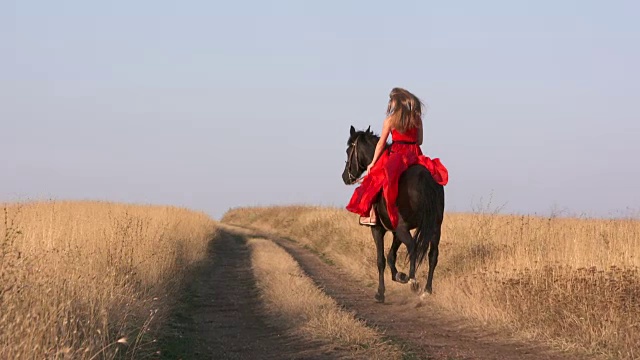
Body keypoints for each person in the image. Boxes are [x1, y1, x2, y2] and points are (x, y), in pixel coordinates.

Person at [346, 87, 448, 228]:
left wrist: (372, 163)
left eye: (391, 101)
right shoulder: (416, 118)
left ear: (395, 102)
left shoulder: (390, 120)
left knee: (375, 179)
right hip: (415, 153)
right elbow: (420, 141)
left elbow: (381, 143)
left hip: (397, 153)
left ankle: (372, 215)